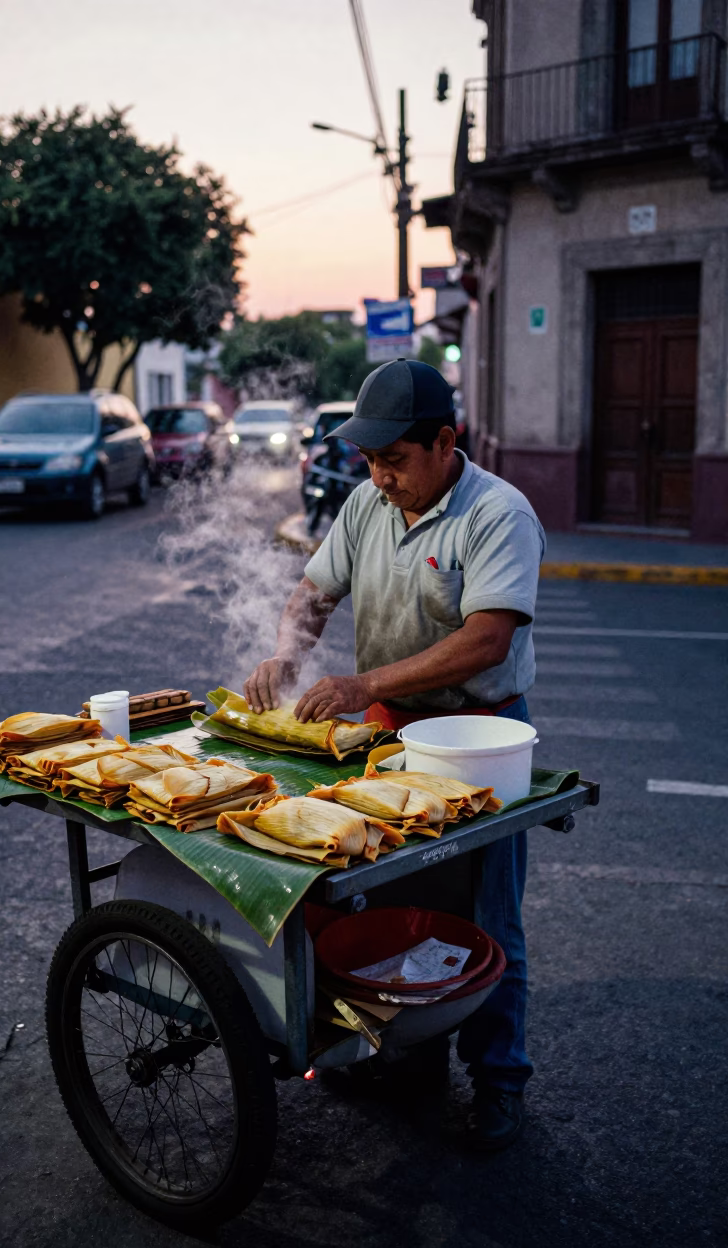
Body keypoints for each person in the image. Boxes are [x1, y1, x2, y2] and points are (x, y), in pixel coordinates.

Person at [244, 358, 545, 1150]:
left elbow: (487, 640)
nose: (380, 478)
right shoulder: (366, 506)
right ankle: (404, 1053)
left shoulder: (498, 513)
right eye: (371, 462)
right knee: (382, 894)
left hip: (478, 737)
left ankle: (499, 1080)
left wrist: (361, 678)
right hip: (386, 732)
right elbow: (312, 595)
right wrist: (287, 652)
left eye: (395, 461)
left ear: (445, 443)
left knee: (487, 913)